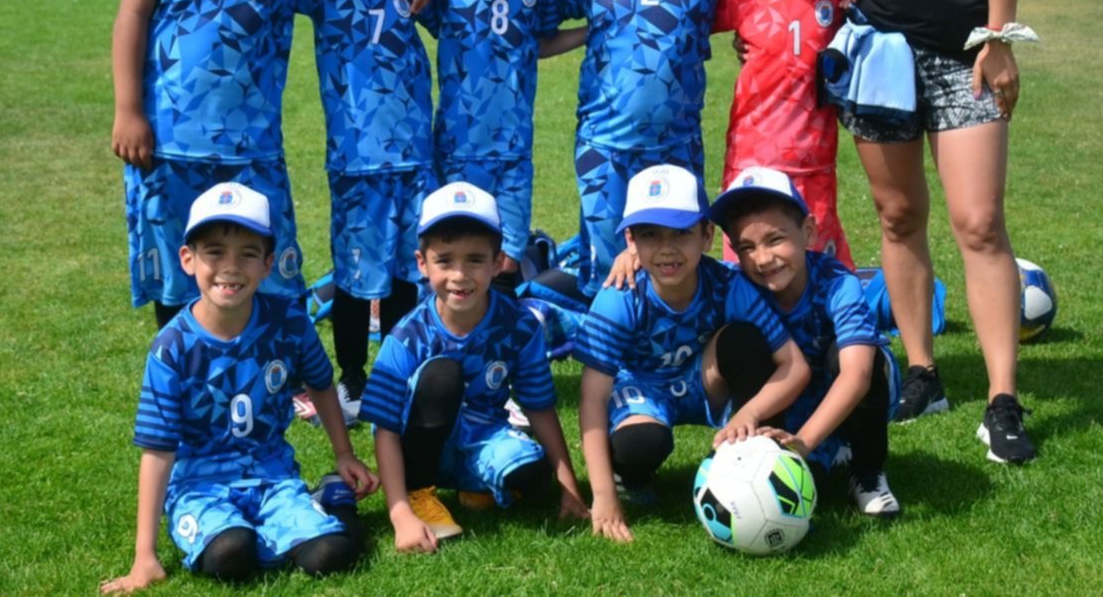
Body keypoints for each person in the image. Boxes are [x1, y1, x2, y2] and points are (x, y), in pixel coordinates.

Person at [808, 0, 1036, 463]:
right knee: (899, 218)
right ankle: (922, 371)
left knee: (979, 222)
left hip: (962, 54)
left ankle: (1003, 399)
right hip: (880, 62)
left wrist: (998, 39)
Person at [100, 182, 376, 594]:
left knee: (329, 555)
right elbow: (158, 450)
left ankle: (330, 500)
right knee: (231, 554)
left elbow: (320, 382)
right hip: (199, 484)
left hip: (273, 474)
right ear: (188, 259)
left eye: (248, 254)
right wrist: (145, 557)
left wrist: (343, 454)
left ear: (267, 265)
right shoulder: (171, 348)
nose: (231, 267)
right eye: (215, 252)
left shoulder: (289, 322)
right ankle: (252, 528)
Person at [111, 0, 318, 328]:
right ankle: (180, 371)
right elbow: (133, 11)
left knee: (268, 267)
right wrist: (128, 109)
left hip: (254, 147)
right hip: (170, 142)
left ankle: (277, 376)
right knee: (180, 273)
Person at [555, 0, 771, 299]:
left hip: (677, 146)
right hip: (604, 148)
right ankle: (609, 354)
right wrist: (588, 31)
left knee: (677, 261)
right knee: (609, 270)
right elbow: (530, 19)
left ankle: (672, 349)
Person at [573, 164, 809, 542]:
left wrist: (749, 414)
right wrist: (602, 496)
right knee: (641, 446)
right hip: (643, 390)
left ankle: (756, 461)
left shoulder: (729, 284)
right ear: (630, 241)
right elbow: (592, 398)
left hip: (703, 379)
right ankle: (629, 476)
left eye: (681, 233)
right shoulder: (619, 296)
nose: (666, 248)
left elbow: (794, 366)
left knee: (744, 341)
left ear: (707, 235)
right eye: (651, 235)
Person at [361, 183, 589, 551]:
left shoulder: (520, 325)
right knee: (442, 375)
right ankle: (419, 492)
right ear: (422, 263)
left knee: (533, 471)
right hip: (417, 446)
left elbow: (539, 406)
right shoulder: (406, 336)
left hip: (482, 436)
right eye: (445, 260)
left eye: (475, 260)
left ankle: (474, 485)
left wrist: (570, 487)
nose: (460, 275)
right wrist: (399, 512)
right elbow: (384, 429)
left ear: (498, 262)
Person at [297, 0, 435, 425]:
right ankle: (352, 382)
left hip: (417, 160)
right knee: (355, 279)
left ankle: (396, 374)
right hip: (357, 164)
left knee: (408, 273)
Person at [419, 0, 574, 292]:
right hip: (453, 148)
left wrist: (591, 33)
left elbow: (538, 41)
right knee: (453, 252)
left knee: (505, 258)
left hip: (512, 150)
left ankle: (502, 351)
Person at [710, 167, 902, 517]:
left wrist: (805, 441)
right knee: (742, 340)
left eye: (775, 239)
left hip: (851, 389)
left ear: (808, 232)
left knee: (860, 360)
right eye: (747, 247)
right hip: (793, 400)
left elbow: (856, 376)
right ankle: (767, 457)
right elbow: (686, 270)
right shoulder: (737, 284)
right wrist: (632, 257)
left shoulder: (838, 284)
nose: (763, 258)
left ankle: (867, 470)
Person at [713, 0, 852, 268]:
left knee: (815, 274)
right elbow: (687, 23)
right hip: (751, 160)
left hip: (815, 162)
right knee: (749, 268)